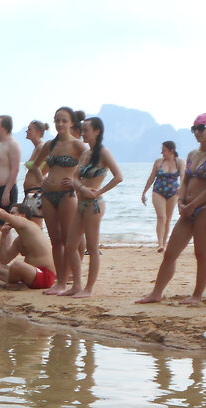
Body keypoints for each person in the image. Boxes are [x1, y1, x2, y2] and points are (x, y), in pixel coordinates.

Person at [137, 114, 206, 306]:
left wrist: (193, 204)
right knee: (170, 252)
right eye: (194, 128)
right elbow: (185, 180)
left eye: (201, 128)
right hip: (187, 207)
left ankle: (197, 295)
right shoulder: (193, 154)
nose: (197, 132)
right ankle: (156, 292)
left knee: (201, 253)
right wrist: (181, 202)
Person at [57, 117, 123, 297]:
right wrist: (81, 188)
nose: (83, 133)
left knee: (92, 247)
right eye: (82, 129)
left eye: (86, 130)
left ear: (97, 131)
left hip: (94, 204)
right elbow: (75, 177)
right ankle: (76, 285)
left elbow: (118, 176)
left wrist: (99, 191)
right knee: (71, 246)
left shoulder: (103, 152)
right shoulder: (86, 153)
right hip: (81, 202)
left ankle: (89, 288)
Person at [35, 107, 87, 294]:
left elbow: (93, 170)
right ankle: (60, 282)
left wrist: (76, 184)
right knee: (55, 240)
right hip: (47, 195)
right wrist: (42, 179)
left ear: (72, 123)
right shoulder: (50, 145)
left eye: (64, 120)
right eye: (57, 120)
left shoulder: (78, 146)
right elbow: (35, 167)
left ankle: (76, 283)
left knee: (69, 240)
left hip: (67, 196)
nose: (60, 124)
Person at [140, 141, 184, 252]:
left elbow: (183, 177)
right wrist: (144, 192)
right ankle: (159, 244)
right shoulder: (159, 162)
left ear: (171, 151)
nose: (161, 152)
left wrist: (182, 190)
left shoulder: (179, 162)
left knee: (168, 219)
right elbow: (151, 178)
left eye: (164, 150)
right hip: (158, 191)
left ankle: (164, 244)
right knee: (161, 217)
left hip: (173, 192)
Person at [0, 114, 22, 214]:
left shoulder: (13, 144)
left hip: (5, 189)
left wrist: (7, 191)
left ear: (4, 127)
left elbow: (15, 169)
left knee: (5, 223)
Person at [20, 120, 49, 223]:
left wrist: (42, 178)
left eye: (29, 129)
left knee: (35, 224)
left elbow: (50, 163)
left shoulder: (41, 147)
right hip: (30, 191)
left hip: (35, 191)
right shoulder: (36, 148)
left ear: (38, 132)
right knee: (28, 222)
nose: (27, 131)